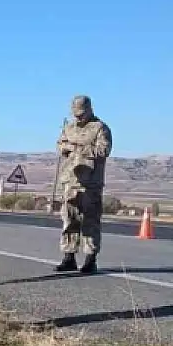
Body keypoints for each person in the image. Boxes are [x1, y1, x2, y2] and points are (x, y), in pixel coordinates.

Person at [54, 95, 112, 274]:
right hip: (69, 182)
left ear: (89, 109)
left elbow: (104, 150)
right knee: (69, 220)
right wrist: (65, 147)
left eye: (81, 114)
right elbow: (60, 144)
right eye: (75, 114)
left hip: (90, 184)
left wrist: (78, 148)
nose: (78, 117)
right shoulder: (69, 127)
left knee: (90, 221)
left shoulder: (100, 128)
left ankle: (90, 259)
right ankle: (68, 256)